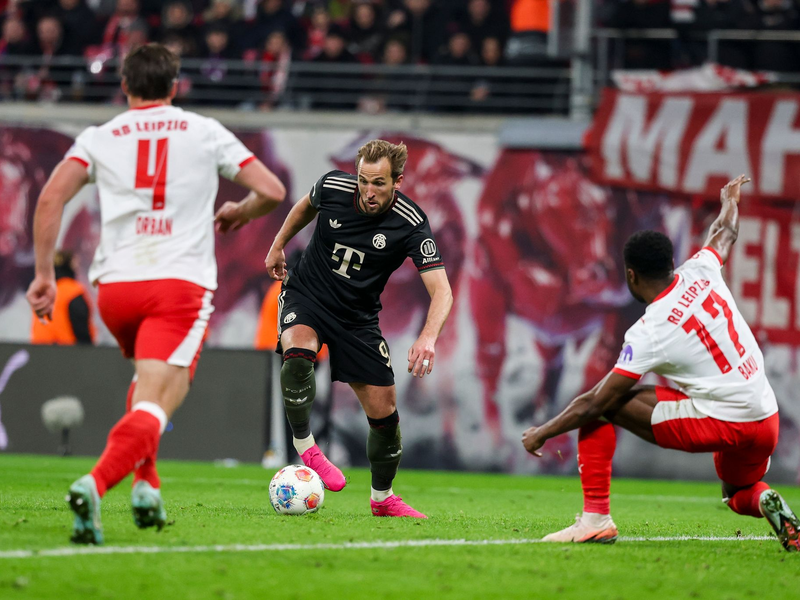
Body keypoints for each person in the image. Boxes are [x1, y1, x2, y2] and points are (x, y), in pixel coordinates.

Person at [26, 43, 286, 545]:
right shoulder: (202, 130)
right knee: (162, 400)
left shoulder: (100, 137)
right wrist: (242, 213)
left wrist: (43, 274)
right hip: (177, 285)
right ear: (175, 86)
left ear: (124, 86)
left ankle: (147, 487)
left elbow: (51, 197)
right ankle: (95, 483)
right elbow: (272, 189)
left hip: (116, 290)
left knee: (149, 386)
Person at [522, 176, 800, 552]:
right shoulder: (702, 269)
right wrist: (730, 201)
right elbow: (724, 232)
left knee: (604, 408)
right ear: (673, 262)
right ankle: (769, 504)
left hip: (724, 421)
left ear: (631, 275)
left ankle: (595, 520)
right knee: (738, 492)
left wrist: (544, 431)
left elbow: (595, 402)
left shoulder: (650, 330)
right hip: (765, 416)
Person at [264, 139, 453, 518]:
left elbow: (442, 289)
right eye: (363, 181)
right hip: (308, 296)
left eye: (379, 183)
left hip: (357, 318)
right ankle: (308, 449)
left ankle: (383, 499)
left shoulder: (411, 222)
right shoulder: (334, 186)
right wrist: (278, 245)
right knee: (299, 355)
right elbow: (305, 206)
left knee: (385, 415)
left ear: (397, 181)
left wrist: (428, 336)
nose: (368, 191)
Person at [30, 250, 96, 346]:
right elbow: (81, 327)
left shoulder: (42, 292)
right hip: (66, 353)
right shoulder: (72, 291)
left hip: (40, 352)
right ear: (70, 265)